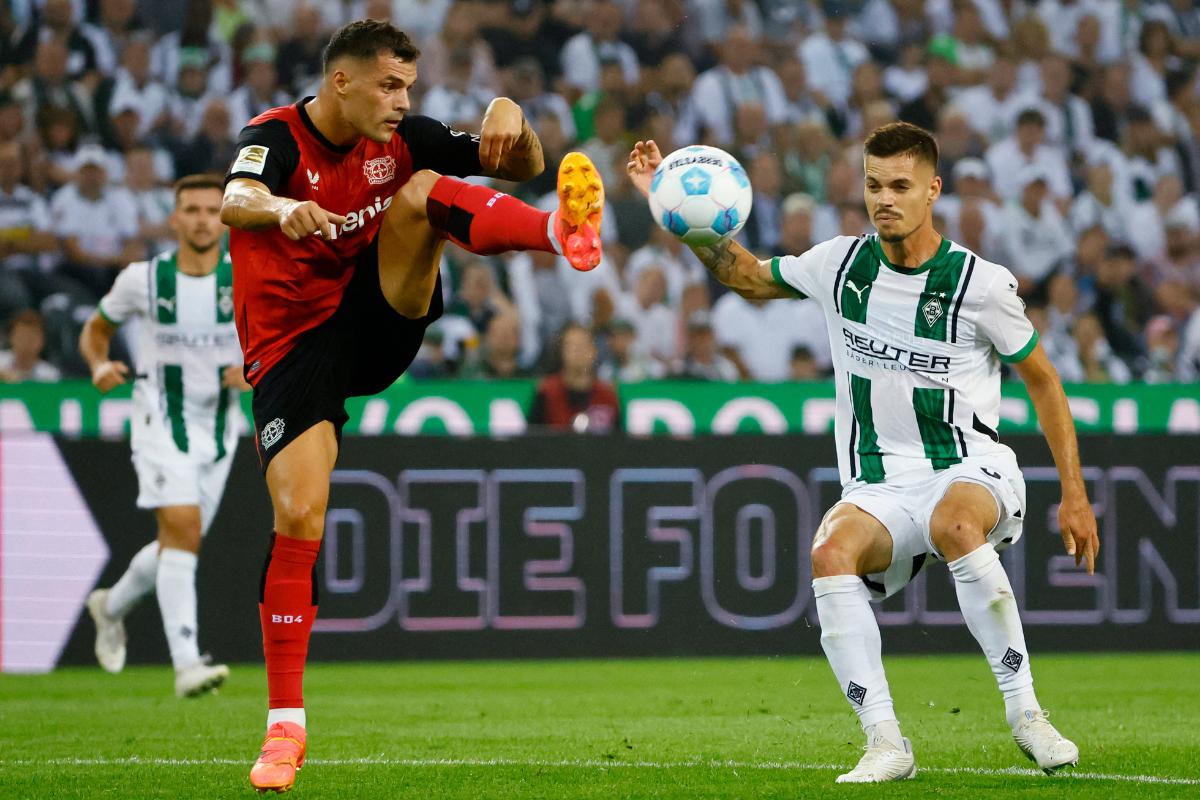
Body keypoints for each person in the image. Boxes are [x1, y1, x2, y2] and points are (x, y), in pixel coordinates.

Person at [627, 123, 1098, 783]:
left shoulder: (978, 285)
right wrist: (679, 211)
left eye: (901, 186)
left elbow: (1045, 381)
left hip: (971, 467)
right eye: (874, 185)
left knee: (955, 525)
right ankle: (885, 743)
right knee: (829, 554)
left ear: (933, 190)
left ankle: (1027, 715)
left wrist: (1074, 496)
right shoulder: (840, 265)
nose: (885, 199)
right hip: (879, 486)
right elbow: (751, 278)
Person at [219, 20, 603, 793]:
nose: (403, 102)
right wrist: (279, 210)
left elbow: (522, 164)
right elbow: (235, 197)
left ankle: (559, 233)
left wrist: (509, 114)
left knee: (421, 190)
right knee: (299, 514)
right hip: (293, 354)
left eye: (408, 87)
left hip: (374, 320)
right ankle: (284, 728)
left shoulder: (406, 138)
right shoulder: (278, 137)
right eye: (390, 86)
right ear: (342, 83)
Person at [79, 174, 247, 698]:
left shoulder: (246, 276)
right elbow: (96, 330)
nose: (201, 219)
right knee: (182, 526)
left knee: (181, 540)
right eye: (190, 210)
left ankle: (110, 606)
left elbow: (284, 336)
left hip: (220, 430)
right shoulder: (142, 280)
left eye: (209, 209)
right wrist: (99, 364)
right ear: (174, 220)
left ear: (223, 217)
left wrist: (254, 368)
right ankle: (187, 664)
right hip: (159, 419)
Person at [528, 323, 620, 432]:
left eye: (583, 345)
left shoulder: (607, 396)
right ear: (561, 352)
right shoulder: (546, 392)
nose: (578, 352)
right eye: (572, 346)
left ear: (594, 351)